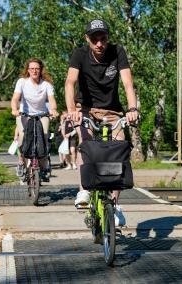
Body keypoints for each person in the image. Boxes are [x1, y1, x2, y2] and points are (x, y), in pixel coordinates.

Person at [65, 19, 139, 226]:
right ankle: (83, 192)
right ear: (87, 39)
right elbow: (70, 83)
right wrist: (72, 111)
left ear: (108, 38)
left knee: (120, 149)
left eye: (103, 38)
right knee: (86, 144)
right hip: (85, 109)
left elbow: (127, 83)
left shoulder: (117, 52)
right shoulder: (79, 54)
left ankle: (114, 205)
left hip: (112, 110)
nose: (99, 43)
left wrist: (132, 109)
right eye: (94, 39)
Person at [11, 58, 59, 178]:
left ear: (40, 70)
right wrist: (14, 109)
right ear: (28, 70)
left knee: (44, 135)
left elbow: (52, 100)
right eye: (32, 68)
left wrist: (53, 110)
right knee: (22, 137)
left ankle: (44, 164)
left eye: (37, 68)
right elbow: (15, 98)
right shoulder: (22, 82)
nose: (34, 71)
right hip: (25, 115)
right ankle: (22, 161)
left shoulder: (46, 85)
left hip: (42, 114)